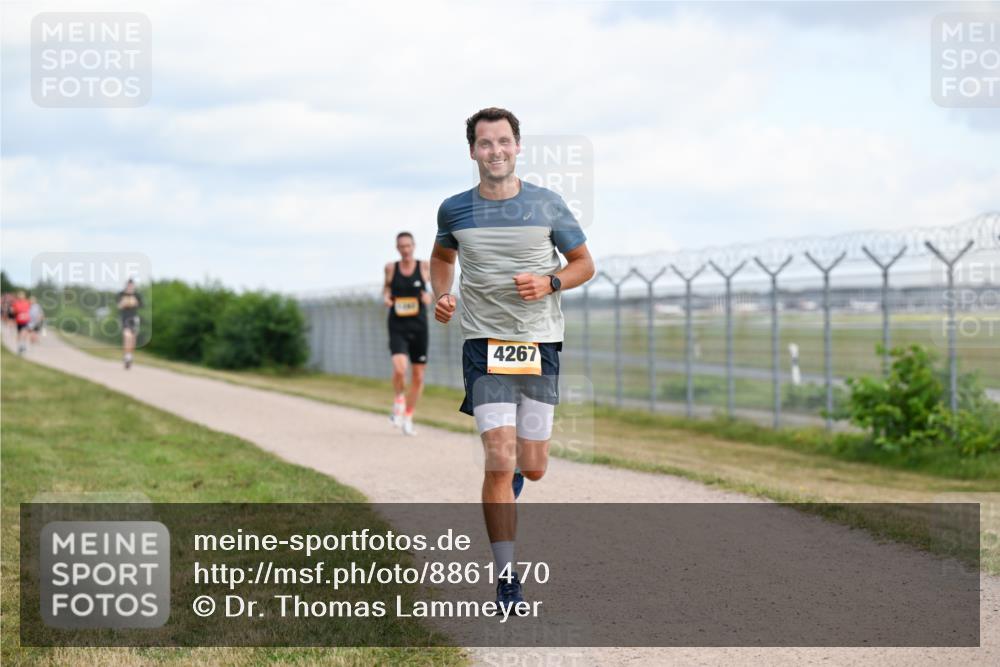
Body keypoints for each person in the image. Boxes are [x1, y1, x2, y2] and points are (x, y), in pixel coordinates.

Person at [430, 108, 595, 614]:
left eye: (504, 141)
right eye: (485, 143)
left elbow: (584, 264)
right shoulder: (454, 210)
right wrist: (443, 293)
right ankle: (507, 580)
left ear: (518, 146)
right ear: (472, 151)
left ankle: (513, 483)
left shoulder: (547, 204)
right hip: (484, 345)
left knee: (533, 465)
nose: (495, 151)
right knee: (498, 460)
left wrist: (549, 282)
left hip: (540, 343)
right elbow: (442, 259)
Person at [384, 232, 432, 436]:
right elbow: (386, 289)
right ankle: (399, 400)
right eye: (401, 246)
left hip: (419, 325)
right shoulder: (390, 268)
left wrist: (429, 296)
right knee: (400, 367)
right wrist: (386, 297)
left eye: (408, 246)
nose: (405, 250)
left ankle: (409, 416)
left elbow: (433, 288)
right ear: (397, 248)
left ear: (414, 246)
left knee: (419, 376)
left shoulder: (424, 266)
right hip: (397, 325)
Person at [117, 279, 143, 369]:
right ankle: (126, 356)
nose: (130, 287)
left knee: (133, 338)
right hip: (125, 318)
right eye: (128, 286)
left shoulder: (137, 295)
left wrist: (133, 301)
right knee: (127, 336)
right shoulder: (121, 294)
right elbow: (119, 305)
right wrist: (126, 302)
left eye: (131, 286)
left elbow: (140, 305)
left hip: (134, 318)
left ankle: (129, 355)